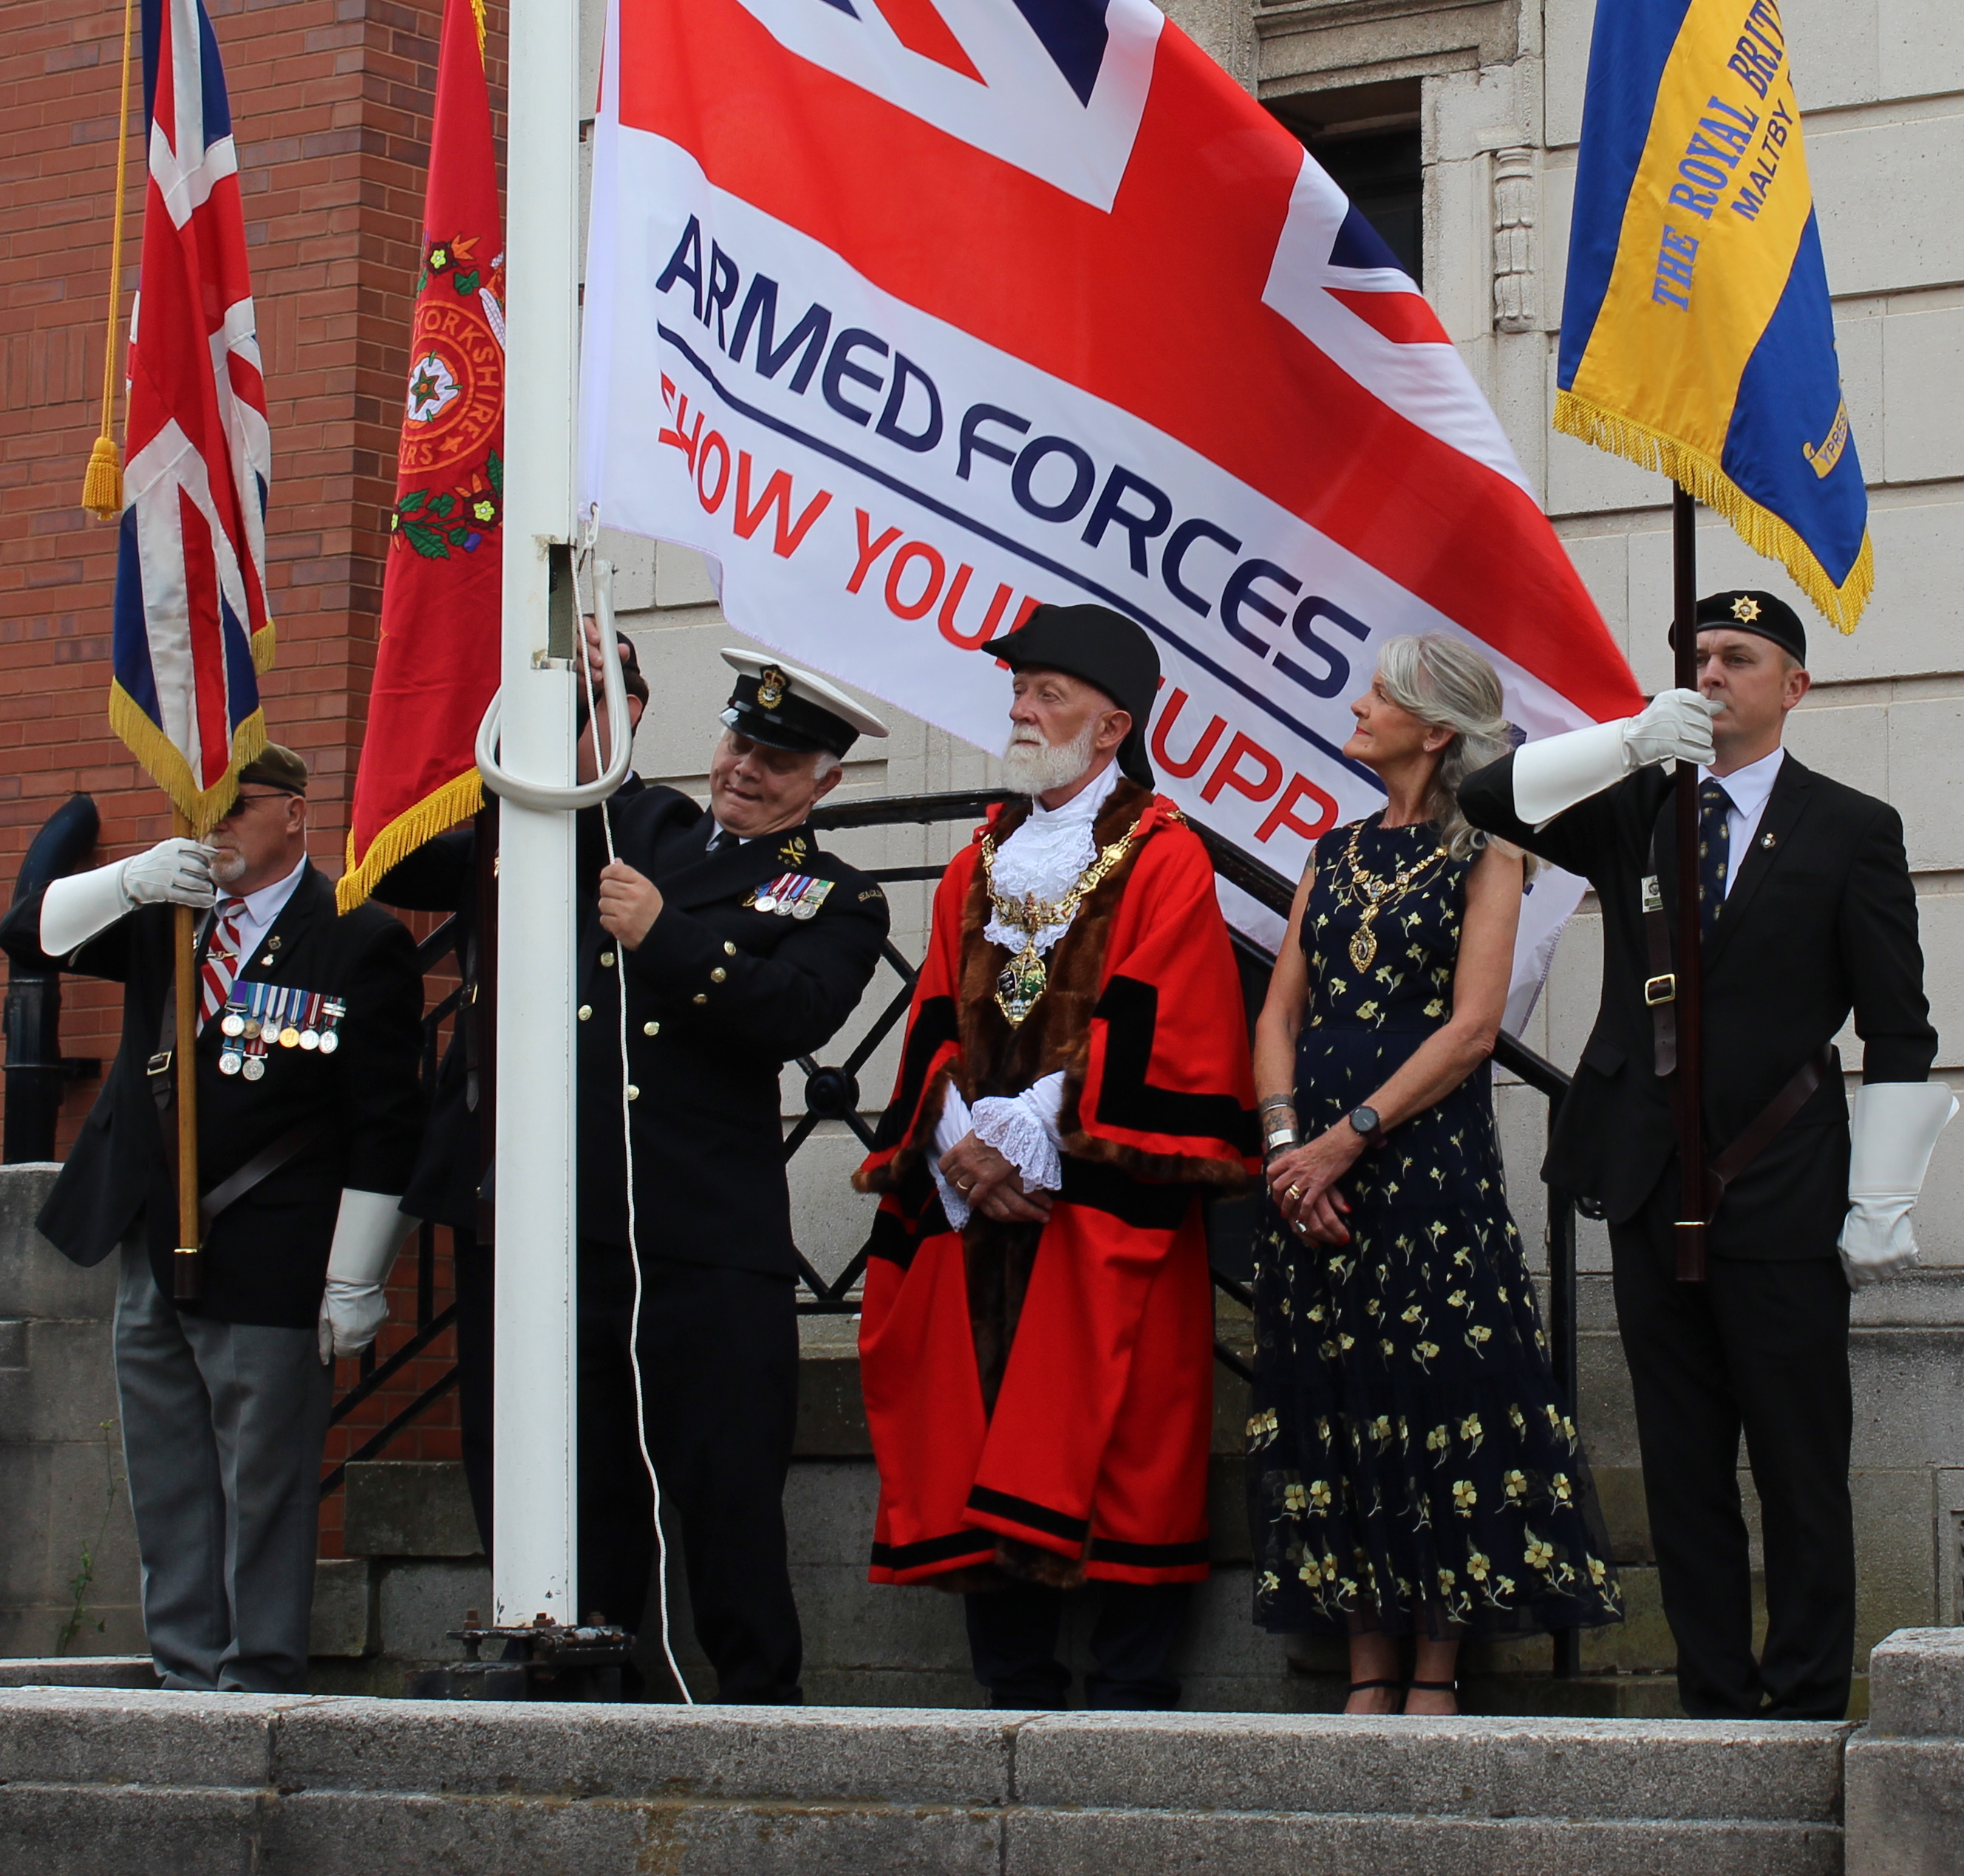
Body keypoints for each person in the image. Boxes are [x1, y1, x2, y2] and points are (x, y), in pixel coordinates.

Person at [1457, 592, 1948, 1722]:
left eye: (1739, 656)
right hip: (1644, 1178)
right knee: (1682, 1466)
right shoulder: (1636, 805)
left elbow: (1900, 1025)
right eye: (1696, 657)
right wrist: (1629, 740)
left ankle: (1813, 1690)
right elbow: (1486, 797)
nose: (1712, 673)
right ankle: (1715, 1696)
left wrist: (1882, 1195)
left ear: (1795, 686)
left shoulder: (1849, 827)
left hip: (1779, 1186)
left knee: (1797, 1459)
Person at [850, 601, 1258, 1710]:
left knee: (1125, 1420)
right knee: (977, 1413)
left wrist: (1032, 1129)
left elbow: (1156, 1008)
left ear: (1114, 722)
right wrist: (957, 1141)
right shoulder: (975, 860)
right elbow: (934, 1010)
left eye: (1048, 695)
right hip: (976, 1197)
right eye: (1020, 692)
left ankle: (1130, 1692)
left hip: (1097, 1195)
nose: (1023, 712)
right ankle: (1012, 1679)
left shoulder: (1164, 855)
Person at [1249, 634, 1622, 1714]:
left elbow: (1470, 1029)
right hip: (1308, 1178)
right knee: (1338, 1398)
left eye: (1381, 694)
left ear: (1437, 726)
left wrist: (1346, 1137)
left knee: (1435, 1400)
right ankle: (1366, 1669)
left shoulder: (1489, 853)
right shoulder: (1333, 848)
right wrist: (1286, 1151)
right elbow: (1280, 1009)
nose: (1358, 706)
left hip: (1421, 1170)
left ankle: (1433, 1674)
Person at [27, 740, 423, 1693]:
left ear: (294, 810)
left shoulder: (355, 934)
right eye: (196, 809)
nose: (212, 827)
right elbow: (27, 934)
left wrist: (356, 1272)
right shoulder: (170, 913)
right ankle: (185, 1666)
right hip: (151, 1236)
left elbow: (385, 1122)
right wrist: (129, 878)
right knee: (166, 1474)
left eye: (234, 806)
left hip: (270, 1241)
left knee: (263, 1483)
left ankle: (257, 1671)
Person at [574, 639, 896, 1702]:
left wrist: (666, 937)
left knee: (726, 1495)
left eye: (777, 760)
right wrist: (585, 675)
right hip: (591, 1218)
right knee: (594, 1490)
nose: (745, 770)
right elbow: (573, 779)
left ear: (825, 782)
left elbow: (792, 1014)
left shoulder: (835, 897)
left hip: (708, 1230)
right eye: (737, 742)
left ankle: (763, 1709)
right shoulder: (650, 828)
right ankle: (601, 1699)